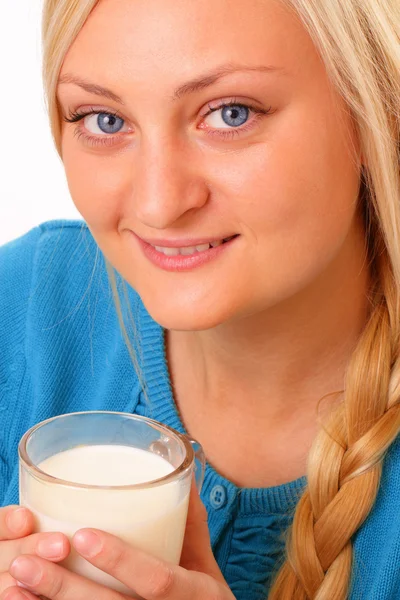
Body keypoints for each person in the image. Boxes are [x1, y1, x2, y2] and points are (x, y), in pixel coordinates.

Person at [0, 0, 399, 598]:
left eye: (231, 114)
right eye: (105, 120)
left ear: (375, 111)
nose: (159, 204)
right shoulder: (25, 302)